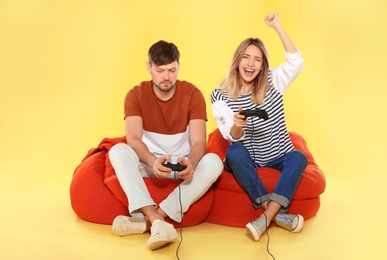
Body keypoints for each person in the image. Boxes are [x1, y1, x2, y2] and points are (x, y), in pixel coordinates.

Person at [109, 40, 223, 250]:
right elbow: (133, 138)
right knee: (117, 151)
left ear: (179, 66)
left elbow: (199, 141)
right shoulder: (135, 94)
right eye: (160, 70)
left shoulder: (193, 94)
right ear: (149, 67)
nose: (166, 77)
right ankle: (157, 219)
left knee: (215, 162)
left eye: (172, 70)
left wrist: (192, 163)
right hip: (150, 162)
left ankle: (150, 221)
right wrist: (152, 161)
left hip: (182, 164)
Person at [210, 12, 308, 242]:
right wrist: (237, 125)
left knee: (299, 157)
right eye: (246, 57)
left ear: (263, 64)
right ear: (237, 61)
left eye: (257, 59)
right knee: (233, 152)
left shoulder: (273, 82)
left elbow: (297, 62)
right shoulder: (220, 95)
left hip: (279, 155)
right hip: (249, 159)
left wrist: (277, 26)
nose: (250, 64)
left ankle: (265, 217)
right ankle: (274, 215)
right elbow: (231, 137)